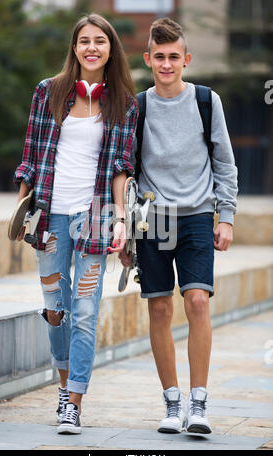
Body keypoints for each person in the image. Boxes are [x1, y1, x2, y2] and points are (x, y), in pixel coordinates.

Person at [13, 13, 138, 435]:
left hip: (97, 220)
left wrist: (121, 219)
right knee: (55, 310)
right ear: (74, 47)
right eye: (84, 40)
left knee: (84, 313)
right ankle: (65, 387)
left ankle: (73, 402)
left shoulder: (124, 101)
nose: (91, 47)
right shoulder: (48, 92)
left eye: (99, 41)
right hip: (49, 218)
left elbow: (122, 165)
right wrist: (21, 215)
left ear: (110, 48)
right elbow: (30, 158)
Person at [119, 18, 238, 434]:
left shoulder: (207, 101)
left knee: (198, 302)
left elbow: (224, 162)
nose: (167, 64)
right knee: (160, 306)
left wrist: (227, 216)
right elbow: (126, 168)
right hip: (154, 218)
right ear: (148, 58)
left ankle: (199, 403)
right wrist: (124, 227)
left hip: (198, 215)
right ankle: (172, 404)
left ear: (185, 59)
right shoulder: (139, 106)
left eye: (174, 57)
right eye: (160, 57)